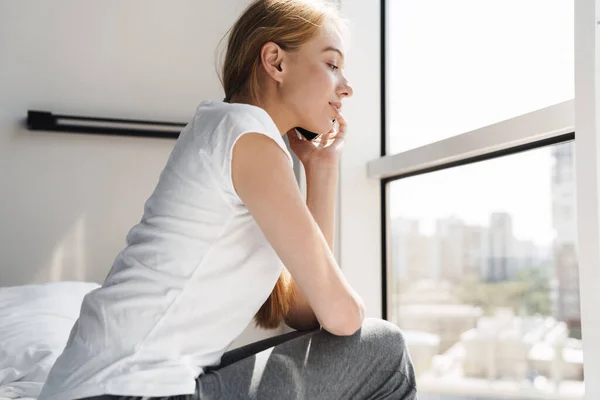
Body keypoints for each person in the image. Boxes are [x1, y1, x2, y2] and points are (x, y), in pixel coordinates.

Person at [38, 0, 416, 399]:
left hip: (109, 387)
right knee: (385, 348)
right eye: (332, 64)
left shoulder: (230, 129)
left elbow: (305, 312)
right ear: (275, 61)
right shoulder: (248, 136)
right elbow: (342, 317)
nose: (346, 86)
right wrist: (349, 306)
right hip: (129, 391)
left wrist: (321, 169)